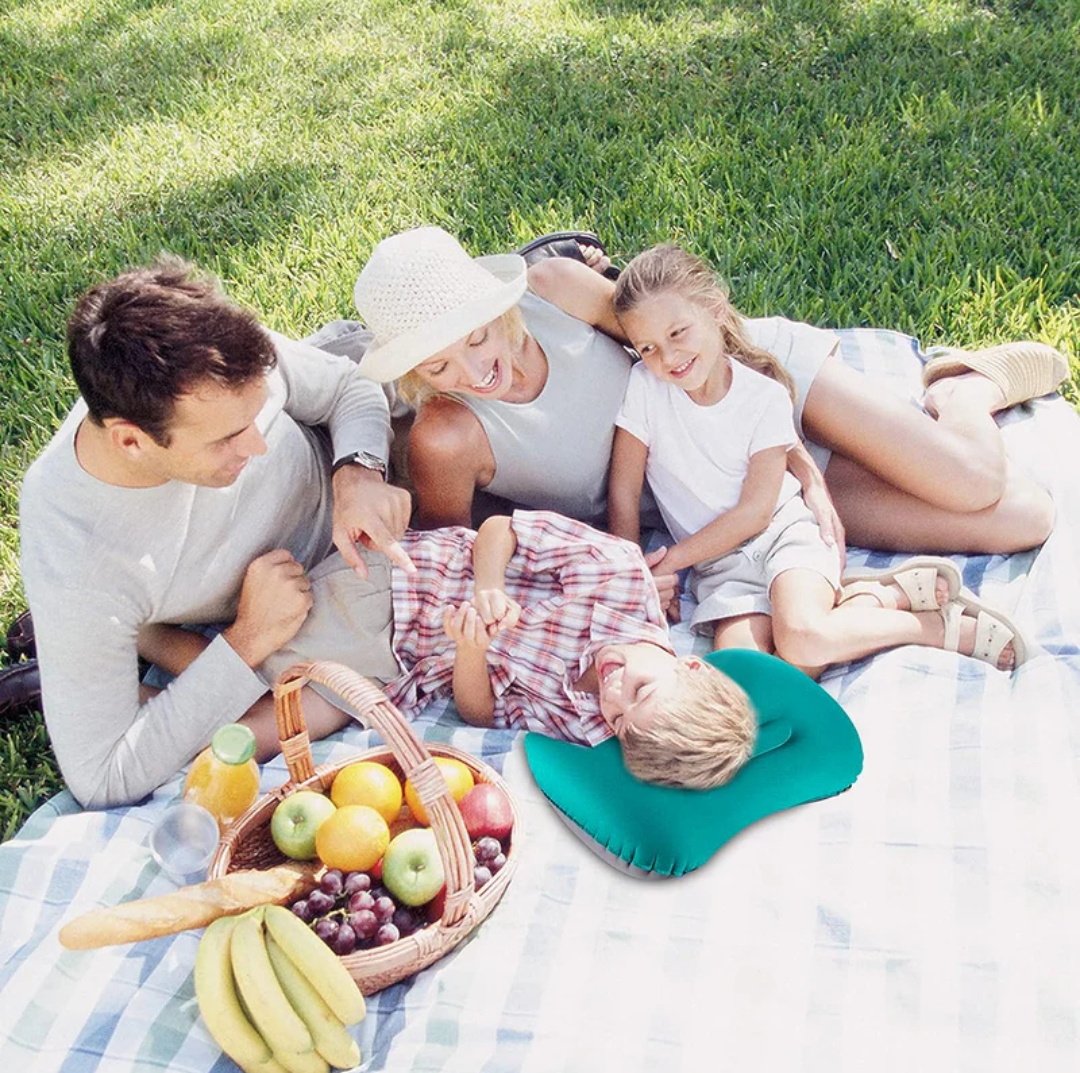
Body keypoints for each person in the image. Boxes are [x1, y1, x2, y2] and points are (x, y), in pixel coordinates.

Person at [354, 226, 1065, 559]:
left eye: (478, 339)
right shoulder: (446, 437)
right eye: (439, 368)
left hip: (753, 380)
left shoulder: (555, 288)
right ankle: (957, 399)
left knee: (971, 480)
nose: (475, 374)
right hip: (718, 483)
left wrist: (791, 446)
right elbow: (463, 551)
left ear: (498, 307)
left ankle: (963, 391)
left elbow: (670, 337)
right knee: (1021, 517)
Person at [18, 256, 414, 809]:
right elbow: (102, 777)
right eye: (229, 438)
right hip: (315, 599)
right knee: (328, 692)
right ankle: (94, 661)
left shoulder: (216, 368)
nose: (258, 446)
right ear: (131, 442)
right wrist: (250, 636)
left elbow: (349, 388)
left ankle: (127, 646)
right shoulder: (81, 556)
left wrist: (357, 471)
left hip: (367, 481)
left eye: (258, 415)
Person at [606, 245, 1030, 676]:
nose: (668, 357)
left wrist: (669, 561)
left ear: (714, 309)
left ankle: (925, 625)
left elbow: (756, 512)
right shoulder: (645, 387)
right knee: (749, 680)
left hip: (784, 535)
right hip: (720, 567)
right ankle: (873, 598)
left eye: (678, 333)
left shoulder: (763, 396)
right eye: (648, 347)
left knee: (804, 641)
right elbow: (624, 494)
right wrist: (634, 573)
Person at [148, 510, 759, 791]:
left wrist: (472, 650)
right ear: (690, 661)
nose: (614, 693)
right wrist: (488, 589)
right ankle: (135, 634)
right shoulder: (616, 574)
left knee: (279, 730)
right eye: (641, 691)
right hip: (400, 590)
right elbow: (499, 531)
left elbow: (480, 714)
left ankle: (149, 707)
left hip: (403, 666)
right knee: (266, 680)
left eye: (622, 718)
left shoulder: (591, 721)